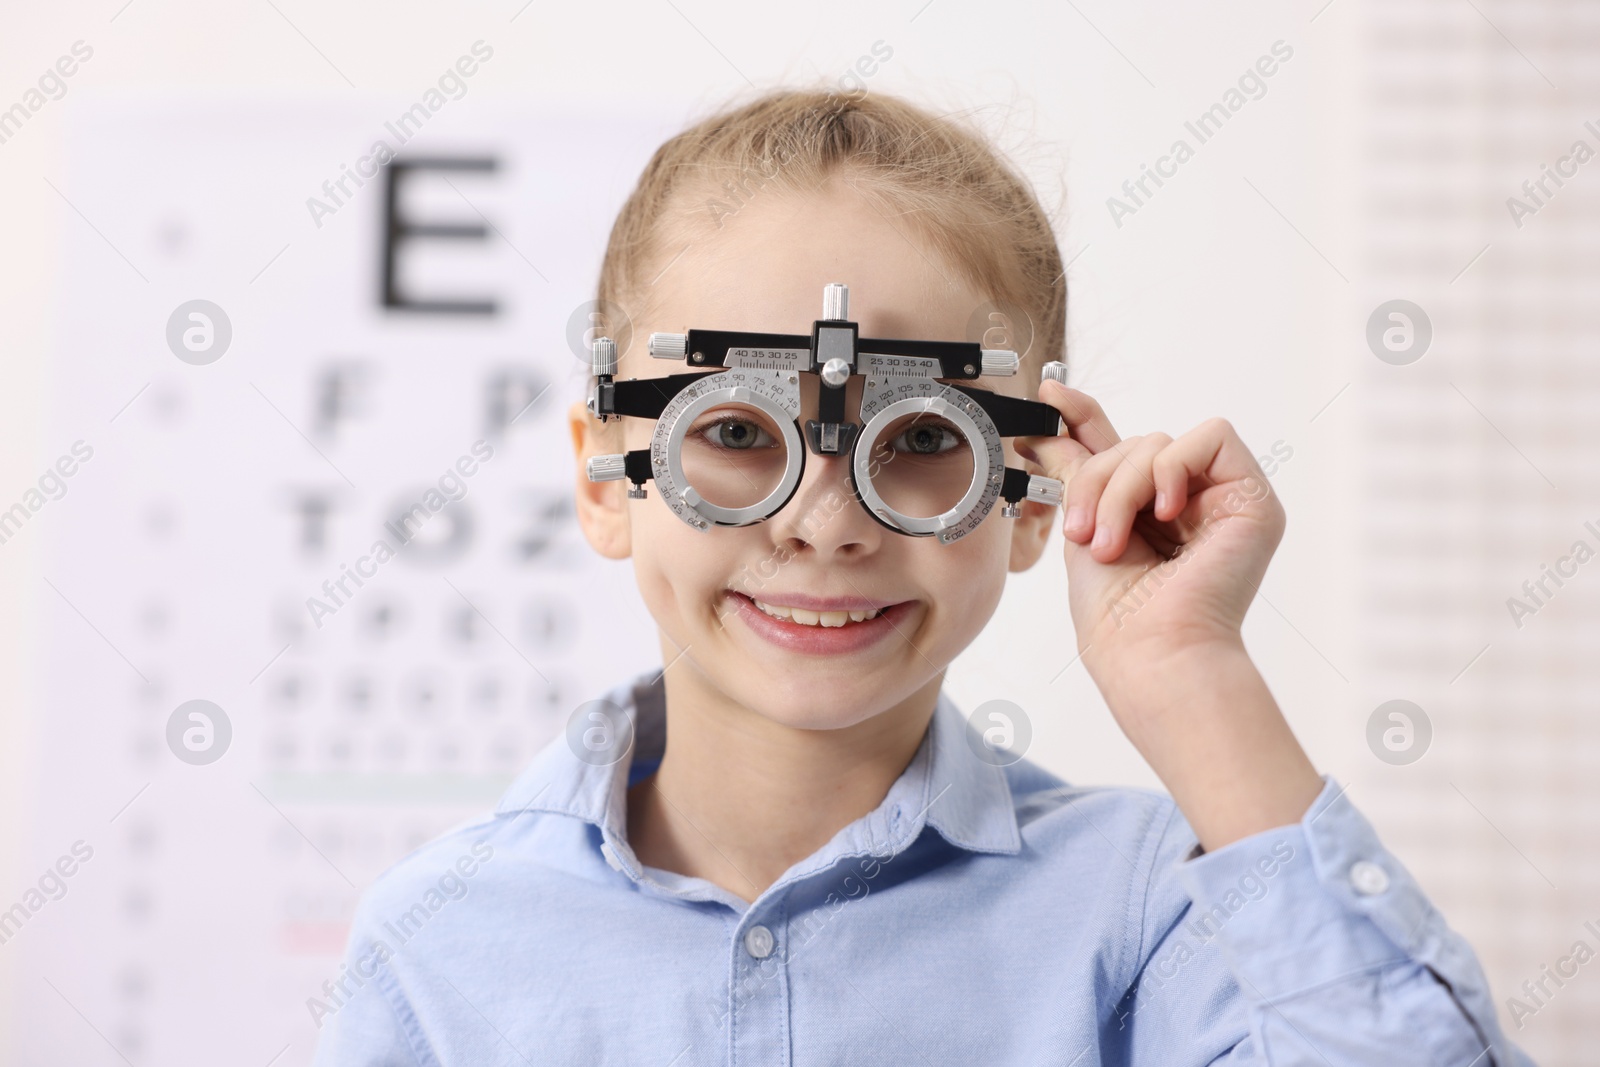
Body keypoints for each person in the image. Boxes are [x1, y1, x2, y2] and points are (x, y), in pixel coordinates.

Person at [312, 87, 1533, 1065]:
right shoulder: (443, 940)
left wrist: (1192, 677)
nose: (826, 520)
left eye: (922, 440)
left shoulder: (1146, 909)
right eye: (738, 434)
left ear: (1032, 491)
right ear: (603, 478)